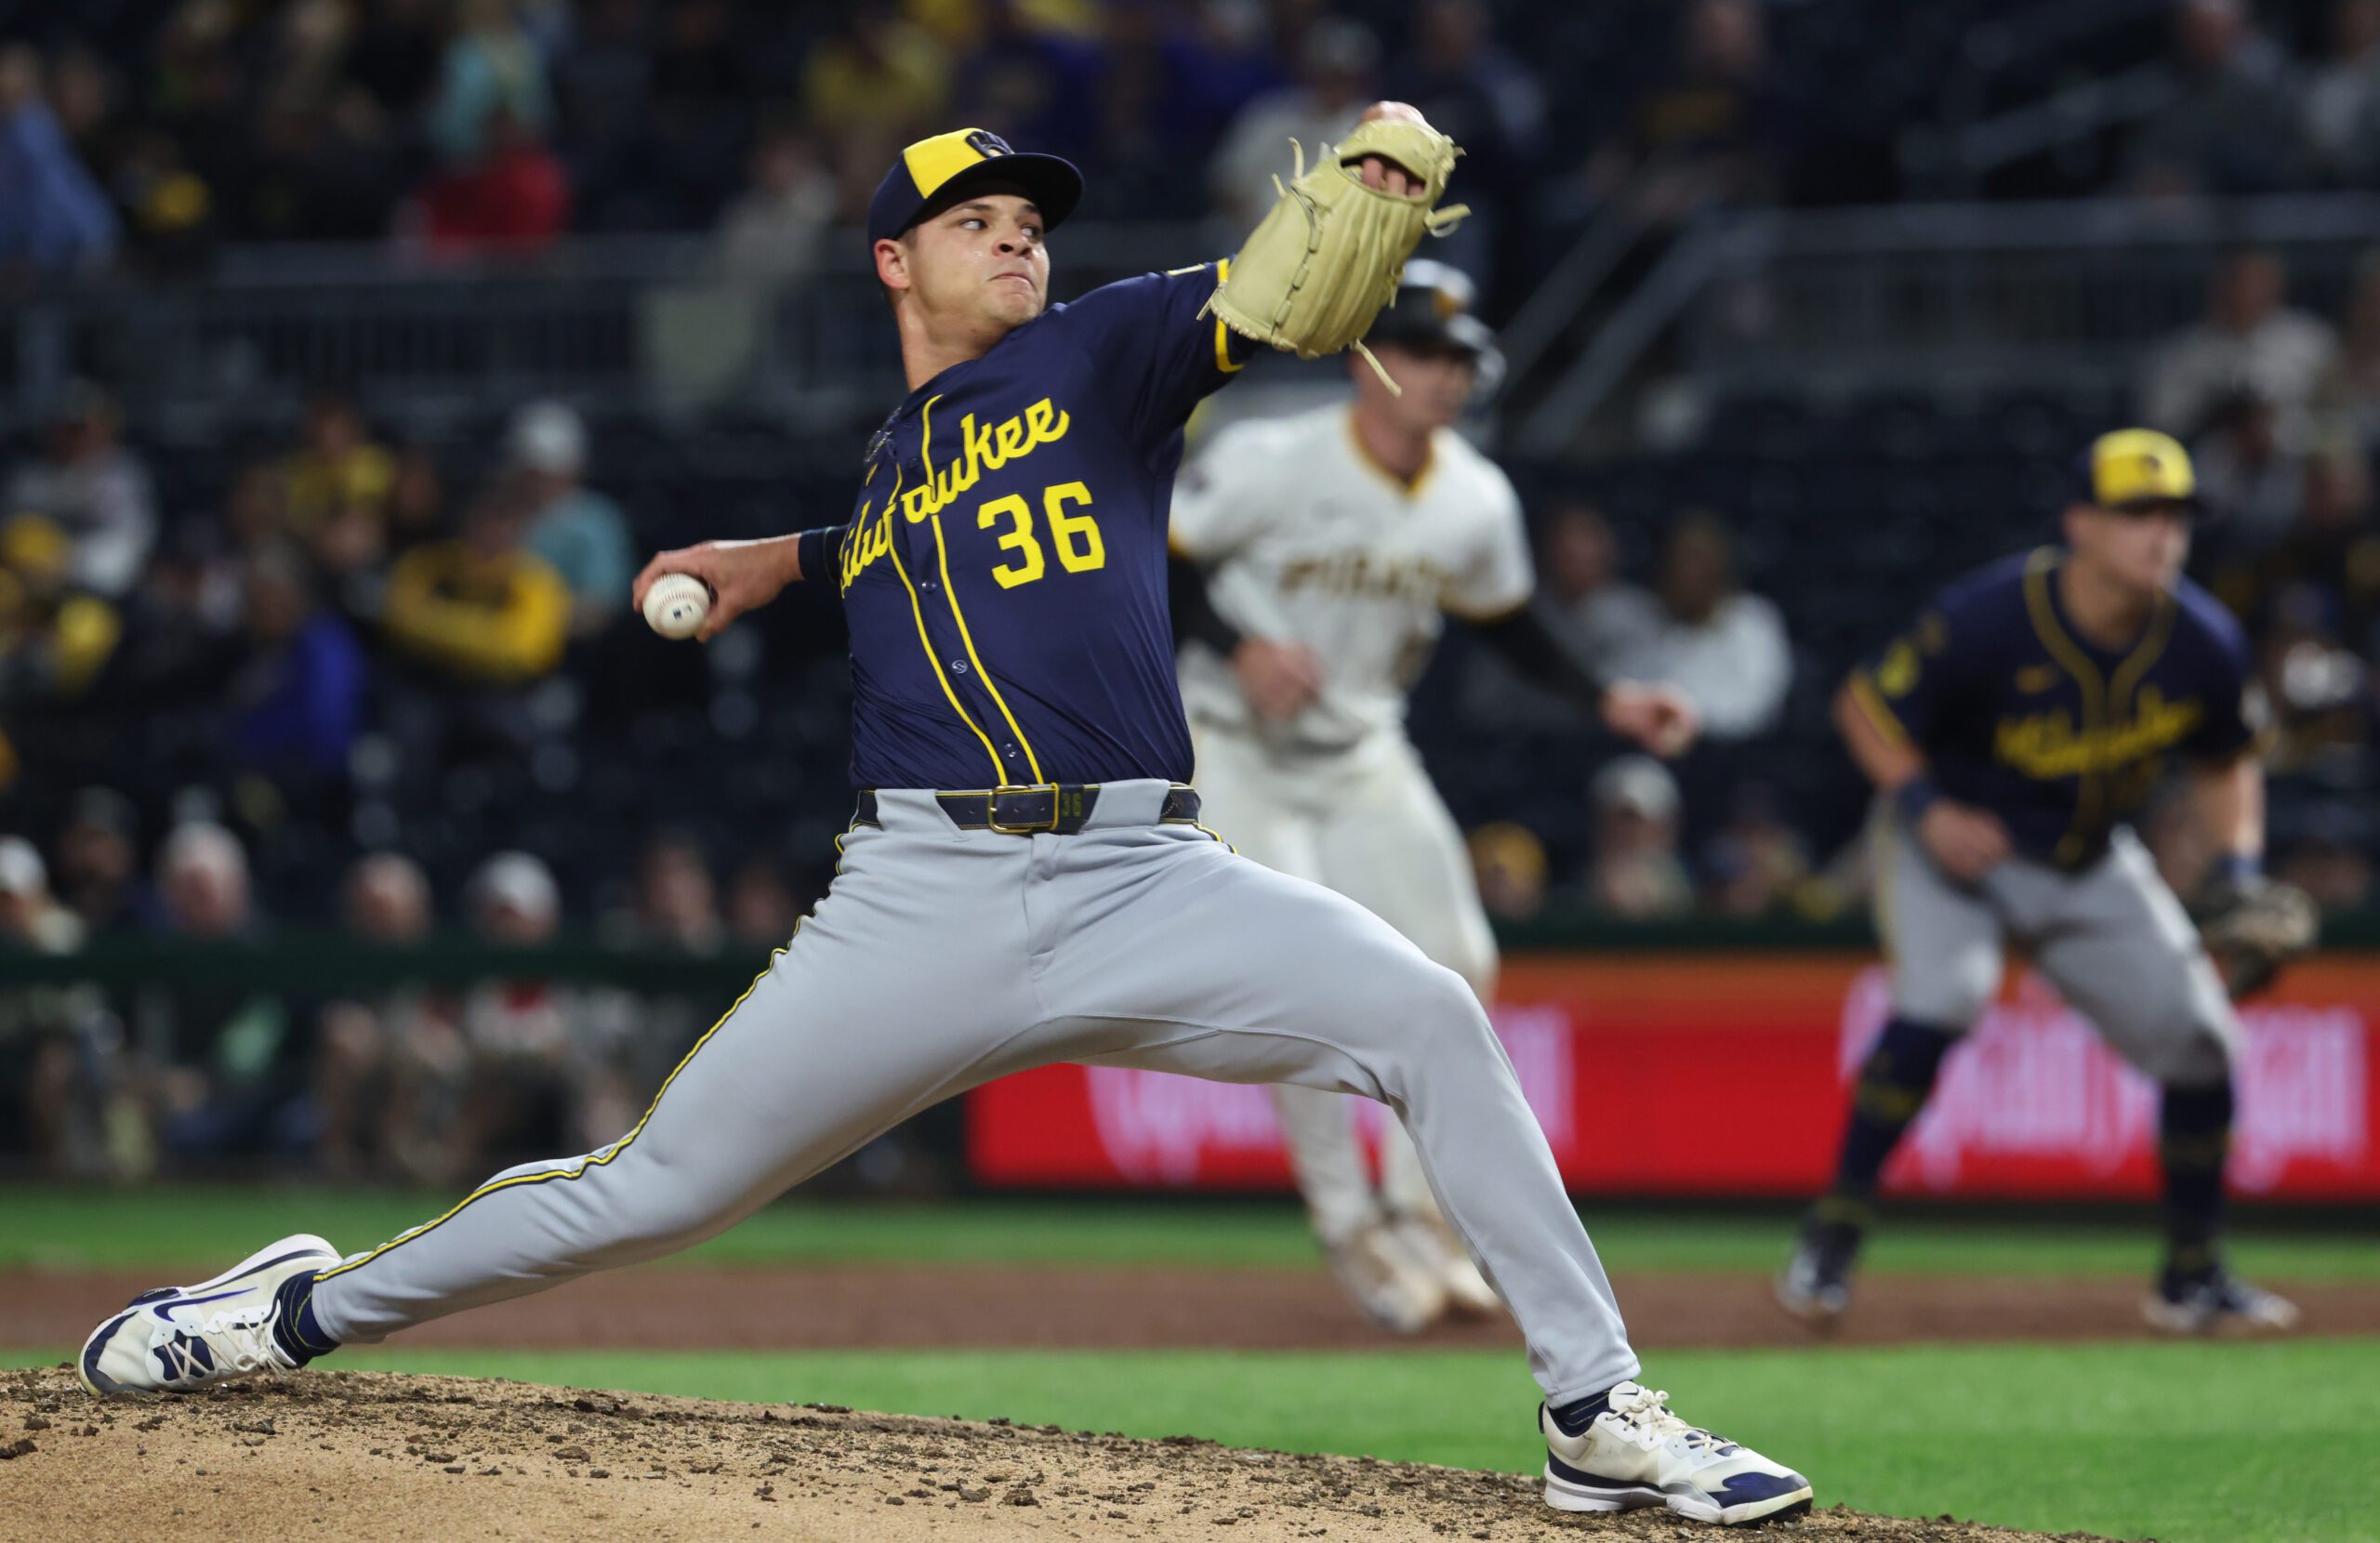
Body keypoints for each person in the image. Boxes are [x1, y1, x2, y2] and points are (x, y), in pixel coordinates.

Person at [79, 117, 1809, 1529]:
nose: (1016, 239)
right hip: (924, 897)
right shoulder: (901, 457)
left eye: (1027, 219)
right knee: (651, 1193)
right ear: (893, 260)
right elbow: (908, 536)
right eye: (972, 220)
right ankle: (284, 1315)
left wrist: (1377, 174)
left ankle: (1594, 1411)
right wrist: (795, 553)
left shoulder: (1105, 351)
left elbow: (1275, 300)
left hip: (1146, 871)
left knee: (1431, 1016)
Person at [1169, 261, 1698, 1334]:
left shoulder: (1472, 493)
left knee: (1459, 961)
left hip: (1363, 748)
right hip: (1234, 742)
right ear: (1367, 361)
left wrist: (1607, 698)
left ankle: (1422, 1216)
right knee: (1294, 980)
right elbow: (1153, 557)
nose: (1444, 377)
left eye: (1459, 359)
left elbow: (1504, 616)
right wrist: (1238, 644)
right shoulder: (1272, 457)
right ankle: (1348, 1224)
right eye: (1421, 352)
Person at [1778, 429, 2303, 1337]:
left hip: (2087, 858)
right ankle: (1834, 1230)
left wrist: (2239, 868)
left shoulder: (2202, 640)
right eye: (2137, 512)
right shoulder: (1991, 614)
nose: (2161, 534)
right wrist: (1926, 806)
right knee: (1945, 995)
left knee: (2202, 1045)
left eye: (2174, 515)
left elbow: (2227, 762)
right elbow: (1864, 705)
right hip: (1957, 850)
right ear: (2080, 523)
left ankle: (2191, 1275)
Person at [1593, 510, 1792, 741]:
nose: (1689, 574)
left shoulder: (1752, 622)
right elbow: (1608, 689)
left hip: (1728, 753)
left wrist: (1687, 715)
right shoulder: (1632, 617)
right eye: (1681, 561)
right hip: (1640, 745)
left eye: (1700, 563)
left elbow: (1759, 706)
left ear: (1719, 571)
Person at [3, 381, 155, 599]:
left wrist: (65, 560)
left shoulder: (120, 479)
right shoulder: (30, 477)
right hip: (27, 587)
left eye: (80, 428)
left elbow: (126, 549)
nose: (71, 437)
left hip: (96, 593)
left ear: (104, 429)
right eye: (65, 427)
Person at [506, 401, 634, 639]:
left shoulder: (597, 522)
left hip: (568, 652)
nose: (538, 482)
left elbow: (601, 607)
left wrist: (533, 624)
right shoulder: (498, 514)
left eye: (548, 472)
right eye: (531, 472)